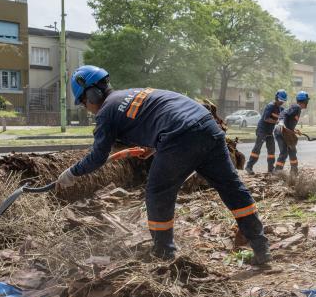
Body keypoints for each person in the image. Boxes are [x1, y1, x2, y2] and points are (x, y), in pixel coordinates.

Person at [56, 65, 271, 264]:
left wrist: (71, 173)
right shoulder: (132, 93)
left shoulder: (106, 112)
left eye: (83, 102)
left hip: (180, 136)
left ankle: (164, 254)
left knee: (157, 193)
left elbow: (97, 156)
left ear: (92, 94)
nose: (86, 108)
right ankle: (261, 247)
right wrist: (153, 146)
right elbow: (158, 115)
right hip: (207, 126)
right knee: (231, 187)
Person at [245, 90, 287, 175]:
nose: (281, 102)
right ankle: (249, 166)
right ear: (276, 98)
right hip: (262, 130)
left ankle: (270, 169)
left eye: (283, 101)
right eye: (280, 100)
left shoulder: (281, 109)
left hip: (269, 131)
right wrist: (277, 122)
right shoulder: (270, 106)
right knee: (257, 148)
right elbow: (266, 118)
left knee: (271, 150)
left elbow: (284, 117)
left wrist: (284, 123)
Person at [274, 91, 310, 175]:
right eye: (307, 101)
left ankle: (294, 172)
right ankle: (277, 172)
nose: (307, 103)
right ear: (304, 101)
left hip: (286, 132)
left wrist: (294, 130)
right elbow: (284, 114)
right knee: (284, 152)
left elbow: (289, 122)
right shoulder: (296, 107)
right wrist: (281, 122)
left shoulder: (298, 109)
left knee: (292, 151)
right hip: (280, 131)